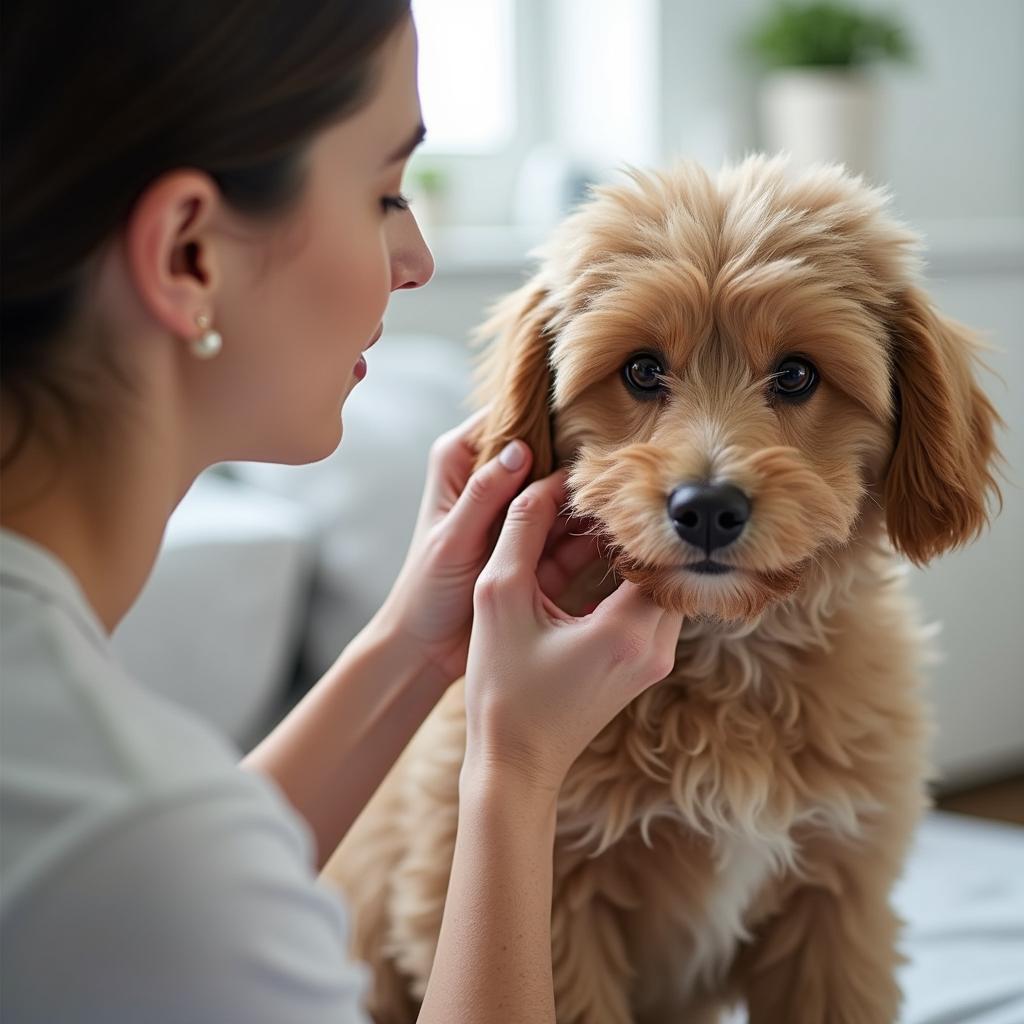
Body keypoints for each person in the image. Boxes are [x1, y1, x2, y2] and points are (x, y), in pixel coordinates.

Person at [0, 3, 683, 1021]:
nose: (417, 260)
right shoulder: (131, 836)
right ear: (190, 253)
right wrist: (515, 765)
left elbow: (189, 883)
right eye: (385, 193)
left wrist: (417, 644)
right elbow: (165, 878)